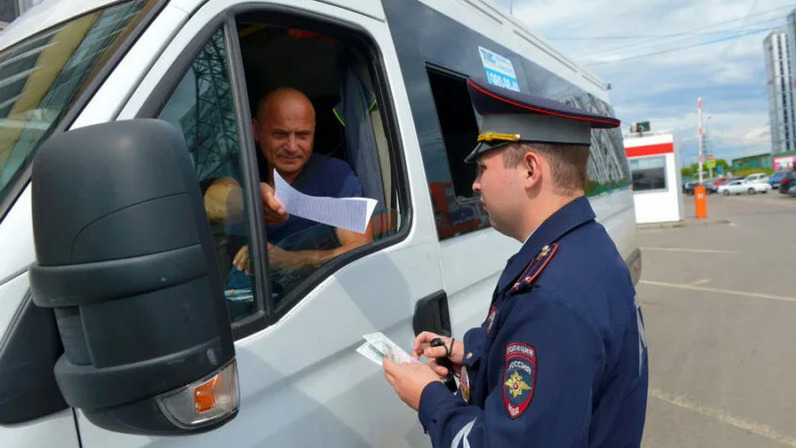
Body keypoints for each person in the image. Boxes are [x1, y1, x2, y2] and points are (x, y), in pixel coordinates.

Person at [383, 79, 648, 447]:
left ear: (529, 170)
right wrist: (471, 355)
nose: (476, 185)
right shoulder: (585, 248)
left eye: (482, 169)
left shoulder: (551, 298)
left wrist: (429, 396)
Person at [205, 87, 373, 272]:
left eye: (302, 135)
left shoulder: (334, 176)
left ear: (314, 132)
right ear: (256, 131)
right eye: (280, 134)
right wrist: (250, 201)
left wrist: (289, 260)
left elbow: (361, 249)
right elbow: (211, 201)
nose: (292, 147)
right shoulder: (246, 168)